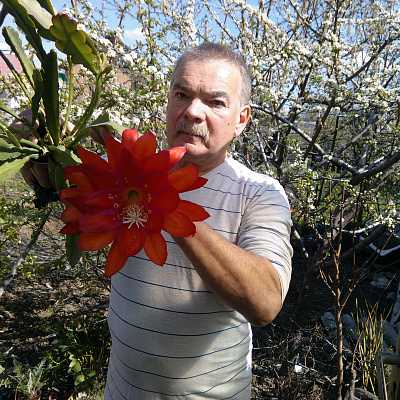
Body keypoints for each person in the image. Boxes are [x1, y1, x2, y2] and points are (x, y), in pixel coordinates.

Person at [91, 42, 293, 399]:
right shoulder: (125, 169)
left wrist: (167, 209)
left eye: (215, 102)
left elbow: (265, 302)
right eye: (181, 94)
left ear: (241, 119)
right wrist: (43, 151)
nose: (193, 112)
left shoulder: (260, 193)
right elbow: (78, 200)